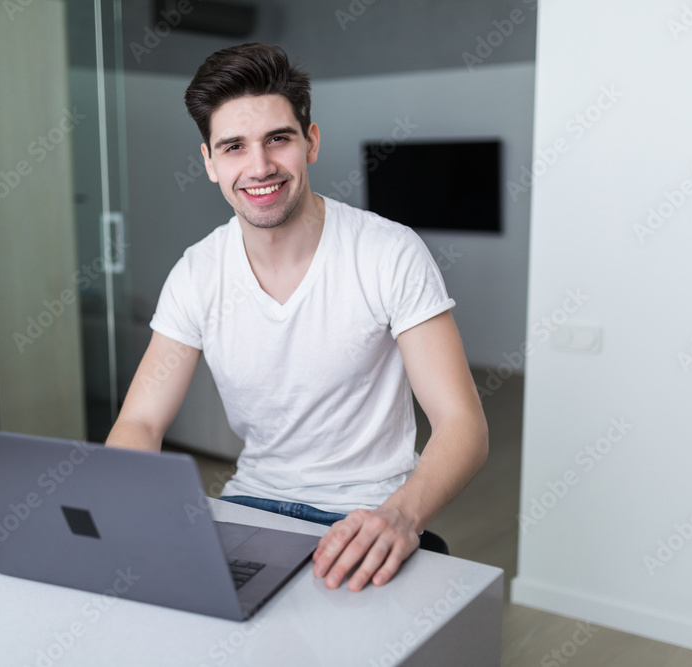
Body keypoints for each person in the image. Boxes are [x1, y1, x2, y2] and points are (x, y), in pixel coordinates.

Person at [106, 43, 488, 592]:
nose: (259, 167)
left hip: (367, 510)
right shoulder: (197, 273)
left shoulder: (389, 253)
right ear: (210, 163)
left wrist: (402, 516)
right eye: (234, 147)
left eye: (277, 139)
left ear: (309, 143)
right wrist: (127, 506)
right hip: (252, 505)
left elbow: (462, 425)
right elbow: (140, 422)